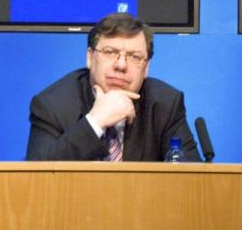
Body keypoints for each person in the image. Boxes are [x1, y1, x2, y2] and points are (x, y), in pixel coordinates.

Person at [26, 13, 200, 161]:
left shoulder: (165, 105)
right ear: (90, 57)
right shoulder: (53, 105)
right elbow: (36, 178)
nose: (121, 65)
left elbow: (194, 183)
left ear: (146, 67)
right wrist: (96, 122)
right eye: (110, 52)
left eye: (134, 57)